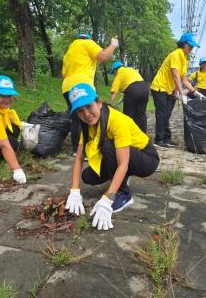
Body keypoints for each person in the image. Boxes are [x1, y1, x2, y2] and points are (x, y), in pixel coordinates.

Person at [64, 84, 160, 230]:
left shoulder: (116, 121)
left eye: (89, 106)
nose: (86, 114)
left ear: (99, 102)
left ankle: (123, 193)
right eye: (80, 111)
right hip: (124, 156)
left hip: (147, 158)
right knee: (88, 176)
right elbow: (78, 158)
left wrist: (109, 197)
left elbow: (123, 164)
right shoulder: (87, 126)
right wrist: (74, 191)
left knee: (108, 146)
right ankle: (123, 178)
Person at [61, 32, 119, 156]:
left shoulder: (69, 52)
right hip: (83, 86)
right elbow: (103, 56)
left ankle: (77, 150)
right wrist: (113, 45)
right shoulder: (87, 43)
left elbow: (64, 75)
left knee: (77, 119)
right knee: (95, 113)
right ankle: (95, 147)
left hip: (67, 87)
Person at [150, 33, 205, 150]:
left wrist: (195, 92)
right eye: (190, 45)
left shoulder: (184, 59)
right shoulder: (175, 55)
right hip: (159, 86)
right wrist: (181, 93)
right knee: (162, 113)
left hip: (169, 88)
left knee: (167, 114)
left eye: (192, 46)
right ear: (183, 44)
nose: (191, 48)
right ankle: (159, 139)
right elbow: (175, 76)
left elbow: (184, 79)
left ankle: (167, 138)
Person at [109, 61, 149, 133]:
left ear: (116, 70)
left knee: (128, 115)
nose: (114, 74)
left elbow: (114, 92)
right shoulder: (132, 70)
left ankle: (127, 135)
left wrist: (110, 105)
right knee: (141, 114)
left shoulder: (119, 74)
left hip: (132, 91)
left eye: (114, 72)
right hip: (145, 89)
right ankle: (143, 136)